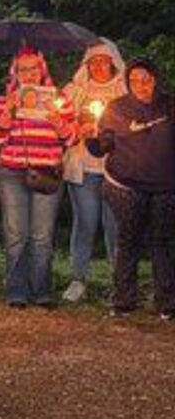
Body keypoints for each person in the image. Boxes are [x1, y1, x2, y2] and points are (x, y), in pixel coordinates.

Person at [87, 59, 175, 320]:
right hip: (126, 186)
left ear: (155, 79)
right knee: (127, 242)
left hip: (165, 186)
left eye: (145, 79)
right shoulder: (116, 108)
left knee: (162, 243)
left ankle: (167, 304)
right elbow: (101, 148)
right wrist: (91, 136)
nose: (140, 85)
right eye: (134, 80)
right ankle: (124, 301)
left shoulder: (170, 105)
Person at [0, 48, 77, 307]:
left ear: (42, 70)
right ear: (15, 73)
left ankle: (41, 291)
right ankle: (16, 292)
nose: (29, 74)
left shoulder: (59, 99)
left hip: (47, 172)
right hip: (13, 172)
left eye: (33, 68)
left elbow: (71, 138)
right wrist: (7, 116)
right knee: (16, 234)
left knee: (42, 235)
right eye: (23, 69)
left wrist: (58, 120)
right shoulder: (5, 100)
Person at [60, 41, 127, 303]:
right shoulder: (75, 90)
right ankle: (78, 280)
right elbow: (60, 123)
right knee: (85, 222)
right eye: (93, 62)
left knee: (115, 226)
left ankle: (119, 281)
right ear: (86, 65)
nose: (99, 66)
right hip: (84, 167)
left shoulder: (124, 89)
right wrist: (80, 128)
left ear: (113, 62)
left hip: (116, 169)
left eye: (104, 61)